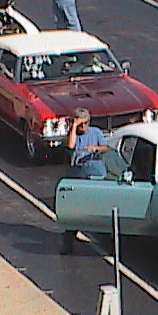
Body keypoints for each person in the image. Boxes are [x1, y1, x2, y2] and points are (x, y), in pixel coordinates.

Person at [60, 107, 108, 254]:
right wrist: (73, 127)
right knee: (75, 210)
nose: (83, 127)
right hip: (78, 174)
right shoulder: (73, 134)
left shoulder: (96, 132)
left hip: (95, 172)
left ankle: (108, 241)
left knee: (101, 207)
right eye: (80, 124)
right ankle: (68, 240)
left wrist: (95, 148)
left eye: (85, 123)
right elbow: (70, 145)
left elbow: (105, 147)